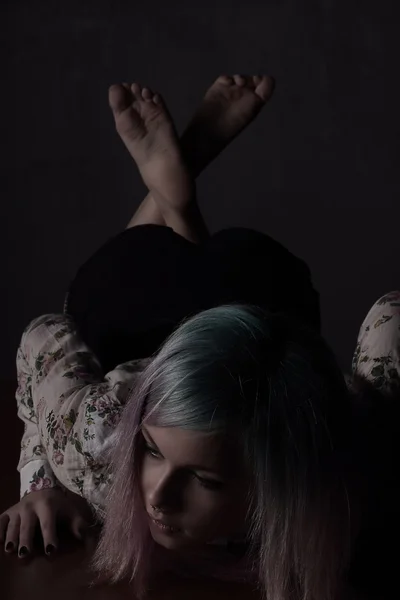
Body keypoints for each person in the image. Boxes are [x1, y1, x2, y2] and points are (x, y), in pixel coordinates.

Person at [0, 74, 398, 600]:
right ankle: (179, 183)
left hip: (162, 309)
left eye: (206, 480)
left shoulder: (338, 485)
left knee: (141, 278)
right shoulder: (98, 443)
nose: (156, 496)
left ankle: (175, 193)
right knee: (126, 288)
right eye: (153, 451)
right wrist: (41, 480)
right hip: (254, 309)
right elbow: (43, 336)